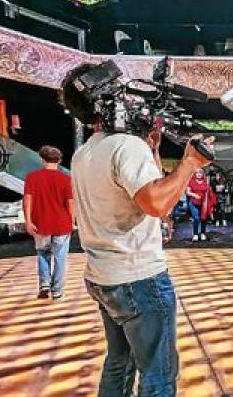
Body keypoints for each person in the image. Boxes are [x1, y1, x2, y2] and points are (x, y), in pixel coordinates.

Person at [62, 63, 213, 397]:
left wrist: (154, 151)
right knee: (158, 374)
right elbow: (157, 204)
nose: (133, 99)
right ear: (107, 100)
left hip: (103, 276)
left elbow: (146, 188)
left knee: (119, 363)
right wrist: (189, 163)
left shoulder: (85, 152)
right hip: (138, 278)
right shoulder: (125, 147)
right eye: (122, 91)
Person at [23, 145, 74, 301]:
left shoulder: (32, 177)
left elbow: (27, 199)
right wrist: (73, 221)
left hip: (40, 224)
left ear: (42, 159)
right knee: (60, 258)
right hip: (62, 224)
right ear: (59, 160)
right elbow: (71, 202)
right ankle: (57, 291)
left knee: (42, 253)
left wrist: (28, 220)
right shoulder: (66, 179)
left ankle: (44, 284)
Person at [187, 169, 216, 241]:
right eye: (197, 173)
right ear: (195, 174)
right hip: (193, 202)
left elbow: (209, 193)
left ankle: (203, 233)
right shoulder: (191, 182)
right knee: (196, 218)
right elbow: (188, 192)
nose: (199, 174)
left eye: (200, 173)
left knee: (203, 218)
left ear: (203, 174)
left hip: (204, 203)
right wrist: (194, 195)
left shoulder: (206, 183)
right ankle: (195, 234)